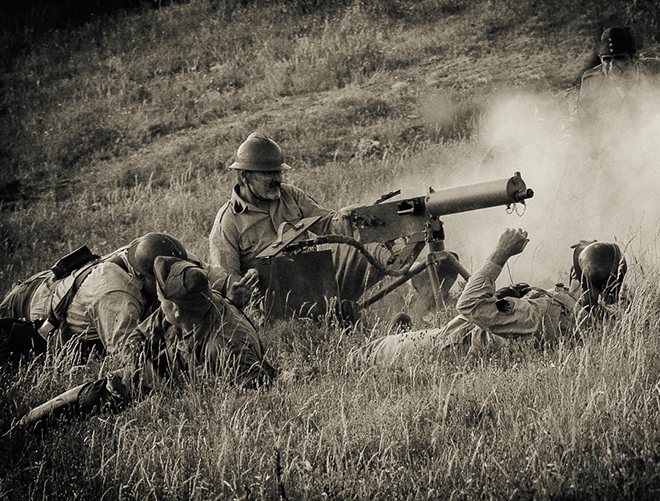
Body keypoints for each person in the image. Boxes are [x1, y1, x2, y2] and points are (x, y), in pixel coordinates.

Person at [15, 256, 276, 429]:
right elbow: (138, 337)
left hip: (185, 397)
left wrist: (171, 401)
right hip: (163, 373)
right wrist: (134, 368)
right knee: (94, 394)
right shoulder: (188, 305)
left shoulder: (227, 346)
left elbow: (255, 401)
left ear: (173, 308)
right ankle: (22, 427)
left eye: (161, 301)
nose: (157, 306)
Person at [355, 228, 627, 367]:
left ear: (573, 273)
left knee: (363, 355)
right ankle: (399, 337)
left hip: (448, 347)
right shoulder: (598, 321)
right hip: (462, 335)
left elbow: (470, 304)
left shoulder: (545, 313)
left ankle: (377, 352)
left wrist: (501, 253)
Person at [0, 232, 257, 362]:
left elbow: (197, 274)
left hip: (45, 285)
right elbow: (129, 356)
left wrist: (230, 286)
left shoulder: (156, 252)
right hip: (24, 310)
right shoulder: (117, 295)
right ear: (144, 279)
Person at [209, 132, 394, 311]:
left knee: (366, 243)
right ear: (244, 176)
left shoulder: (291, 195)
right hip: (274, 303)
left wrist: (347, 216)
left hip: (315, 281)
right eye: (268, 173)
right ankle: (335, 316)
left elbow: (328, 224)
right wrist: (241, 290)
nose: (277, 179)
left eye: (278, 172)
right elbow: (226, 280)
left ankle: (409, 271)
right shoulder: (227, 222)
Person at [575, 26, 660, 120]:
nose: (612, 67)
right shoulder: (592, 82)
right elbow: (580, 122)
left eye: (620, 58)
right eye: (606, 59)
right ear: (600, 59)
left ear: (635, 57)